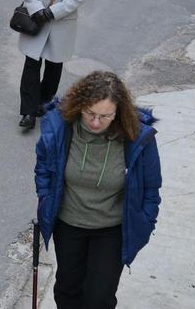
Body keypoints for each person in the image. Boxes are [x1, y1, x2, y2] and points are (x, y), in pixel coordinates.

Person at [35, 72, 162, 308]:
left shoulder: (137, 137)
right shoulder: (61, 127)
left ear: (118, 113)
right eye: (90, 113)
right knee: (67, 290)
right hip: (69, 225)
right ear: (79, 106)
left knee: (99, 298)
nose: (95, 122)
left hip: (111, 230)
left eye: (105, 116)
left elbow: (151, 188)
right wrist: (44, 197)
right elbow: (43, 165)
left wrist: (145, 221)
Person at [16, 0, 92, 129]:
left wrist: (54, 12)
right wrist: (37, 8)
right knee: (31, 64)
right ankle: (28, 112)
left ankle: (43, 101)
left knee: (53, 65)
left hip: (61, 21)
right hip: (36, 17)